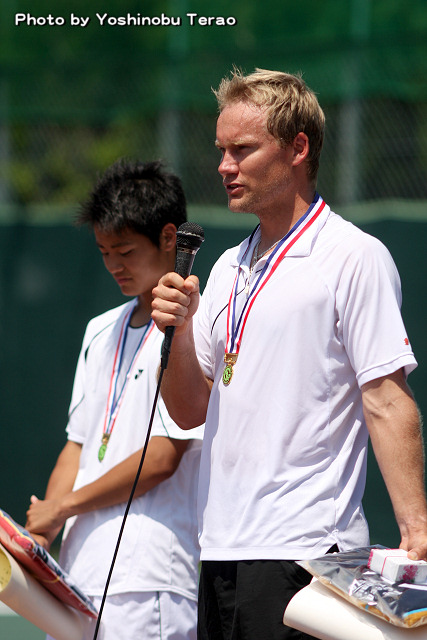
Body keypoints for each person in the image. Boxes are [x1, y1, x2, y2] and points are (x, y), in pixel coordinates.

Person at [151, 68, 427, 640]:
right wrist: (179, 328)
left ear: (298, 148)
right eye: (221, 150)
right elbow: (189, 410)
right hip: (220, 549)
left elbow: (386, 399)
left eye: (242, 149)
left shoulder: (352, 255)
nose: (224, 166)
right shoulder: (227, 266)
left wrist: (416, 526)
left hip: (305, 553)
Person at [25, 159, 203, 640]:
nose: (113, 266)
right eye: (104, 252)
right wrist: (39, 537)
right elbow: (77, 446)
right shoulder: (99, 330)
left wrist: (63, 508)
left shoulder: (197, 323)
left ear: (169, 237)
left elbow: (164, 456)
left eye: (125, 251)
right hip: (76, 574)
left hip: (151, 580)